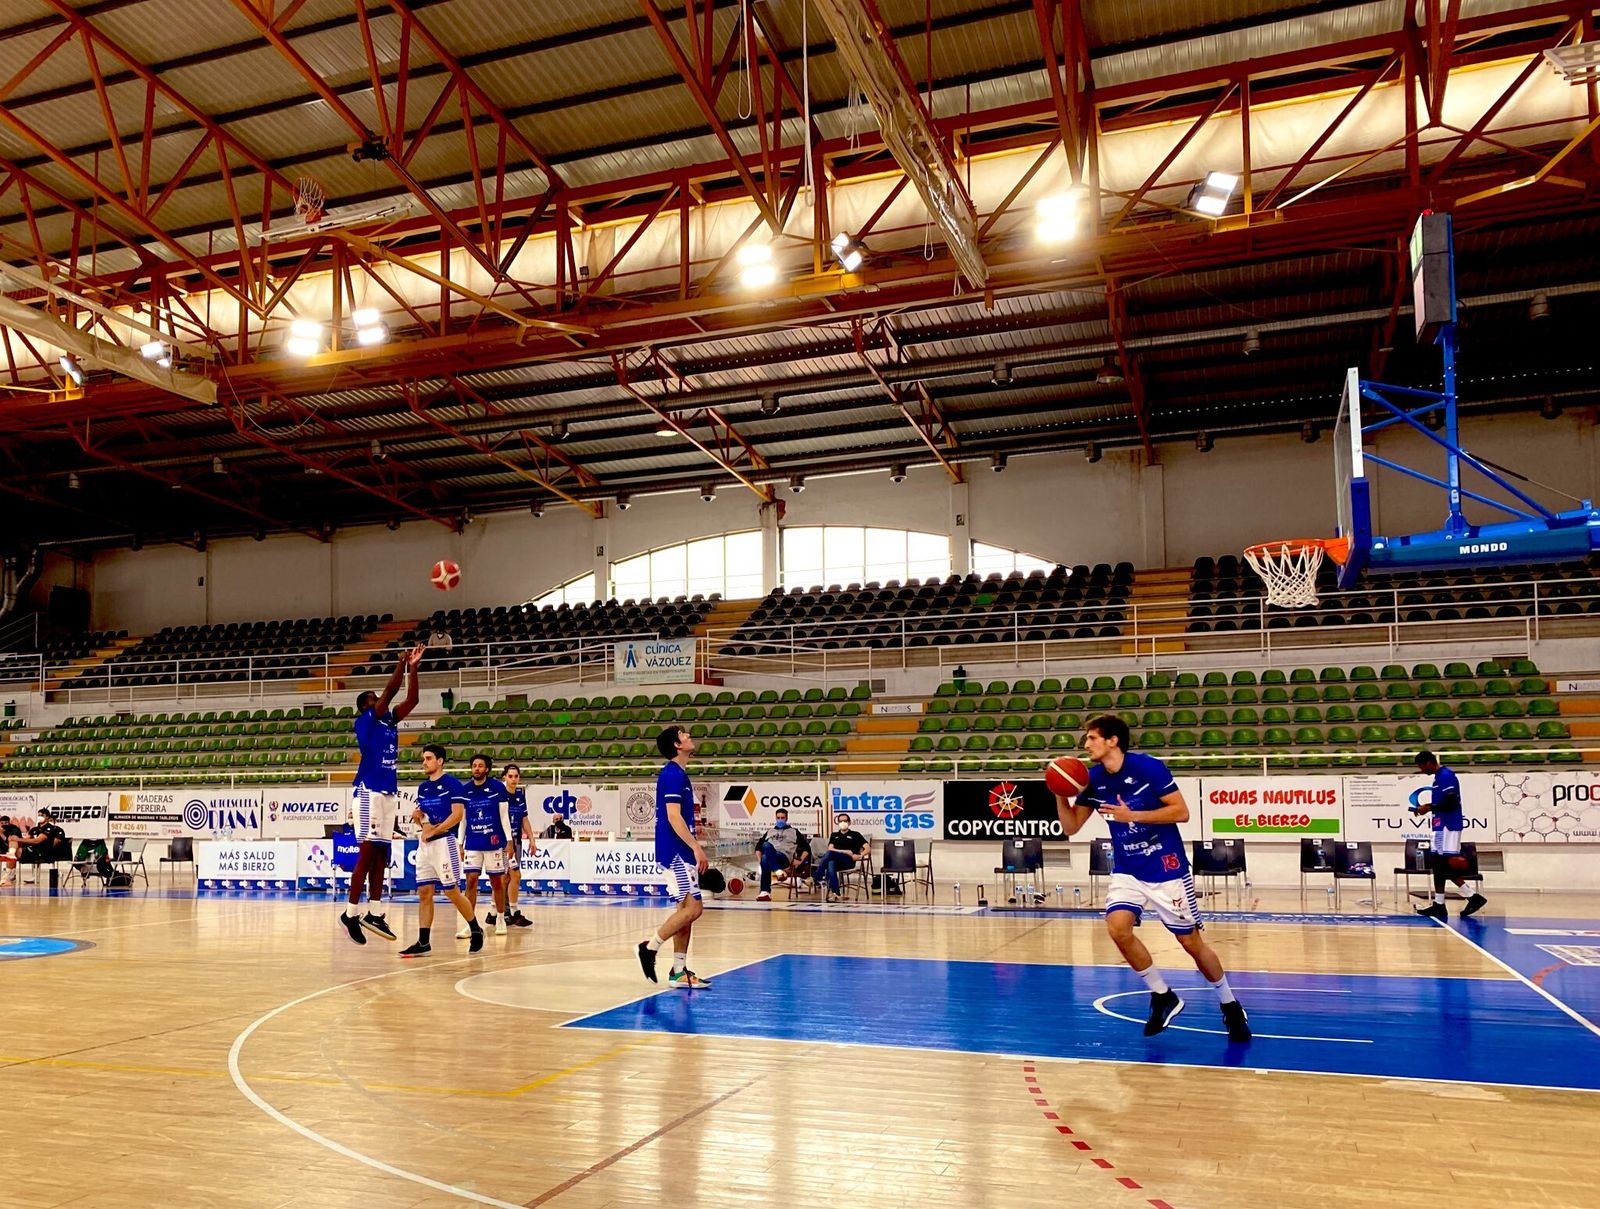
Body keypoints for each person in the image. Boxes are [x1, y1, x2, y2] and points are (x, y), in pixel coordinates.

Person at [1054, 714, 1251, 1042]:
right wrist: (1060, 794)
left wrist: (1133, 815)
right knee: (1117, 929)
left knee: (1190, 944)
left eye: (1091, 738)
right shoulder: (1092, 779)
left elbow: (1181, 812)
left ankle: (1230, 1005)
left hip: (1166, 867)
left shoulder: (1149, 768)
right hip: (1128, 868)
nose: (1085, 744)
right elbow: (1071, 826)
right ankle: (1163, 995)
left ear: (1112, 740)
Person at [341, 643, 425, 946]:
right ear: (367, 705)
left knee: (382, 852)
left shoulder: (389, 721)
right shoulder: (366, 721)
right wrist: (400, 664)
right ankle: (351, 913)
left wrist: (414, 666)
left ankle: (374, 911)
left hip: (387, 792)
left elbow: (411, 699)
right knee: (367, 850)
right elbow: (390, 692)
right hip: (368, 792)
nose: (381, 700)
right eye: (374, 699)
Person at [637, 725, 710, 989]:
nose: (689, 736)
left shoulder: (679, 774)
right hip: (675, 852)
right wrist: (696, 847)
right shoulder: (672, 775)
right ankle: (649, 948)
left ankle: (679, 971)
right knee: (694, 908)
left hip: (679, 850)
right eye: (684, 735)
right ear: (677, 745)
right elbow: (673, 816)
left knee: (686, 912)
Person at [401, 743, 482, 958]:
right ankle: (424, 942)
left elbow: (457, 816)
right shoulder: (423, 788)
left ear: (440, 761)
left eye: (428, 758)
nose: (424, 763)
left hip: (445, 842)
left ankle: (475, 928)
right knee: (424, 892)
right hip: (426, 844)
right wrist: (420, 821)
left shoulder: (453, 784)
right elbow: (423, 818)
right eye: (423, 759)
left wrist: (434, 830)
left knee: (451, 891)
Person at [1411, 750, 1487, 919]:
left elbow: (1452, 801)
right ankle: (1442, 903)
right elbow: (1442, 802)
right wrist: (1428, 807)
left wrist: (1429, 807)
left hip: (1448, 826)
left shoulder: (1446, 775)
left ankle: (1470, 897)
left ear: (1429, 762)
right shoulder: (1438, 778)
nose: (1422, 770)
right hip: (1440, 826)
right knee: (1438, 864)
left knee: (1444, 863)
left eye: (1422, 767)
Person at [456, 754, 513, 938]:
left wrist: (509, 841)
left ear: (487, 769)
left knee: (497, 881)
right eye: (474, 766)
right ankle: (470, 924)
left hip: (494, 841)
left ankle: (501, 918)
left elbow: (504, 817)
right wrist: (460, 843)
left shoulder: (498, 788)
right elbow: (463, 819)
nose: (477, 769)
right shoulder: (465, 790)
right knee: (470, 880)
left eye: (480, 766)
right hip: (473, 842)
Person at [498, 762, 535, 928]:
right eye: (510, 776)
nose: (514, 779)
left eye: (516, 776)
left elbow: (524, 819)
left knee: (509, 878)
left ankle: (502, 912)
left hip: (517, 841)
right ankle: (508, 911)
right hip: (503, 843)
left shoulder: (520, 796)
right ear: (504, 777)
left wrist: (532, 840)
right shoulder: (499, 794)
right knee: (511, 876)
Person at [753, 807, 808, 901]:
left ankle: (766, 889)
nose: (780, 820)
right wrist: (760, 861)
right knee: (765, 856)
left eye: (782, 818)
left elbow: (807, 848)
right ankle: (766, 891)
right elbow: (758, 848)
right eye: (778, 818)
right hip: (770, 858)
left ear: (786, 818)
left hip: (784, 857)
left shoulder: (794, 832)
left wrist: (800, 860)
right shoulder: (770, 832)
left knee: (766, 846)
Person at [813, 812, 867, 902]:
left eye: (845, 821)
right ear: (838, 823)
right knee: (831, 863)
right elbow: (830, 848)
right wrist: (845, 851)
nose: (843, 823)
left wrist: (860, 855)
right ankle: (836, 894)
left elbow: (867, 848)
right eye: (840, 821)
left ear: (849, 823)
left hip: (848, 861)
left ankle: (816, 877)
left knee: (830, 855)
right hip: (837, 861)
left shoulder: (855, 834)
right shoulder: (834, 835)